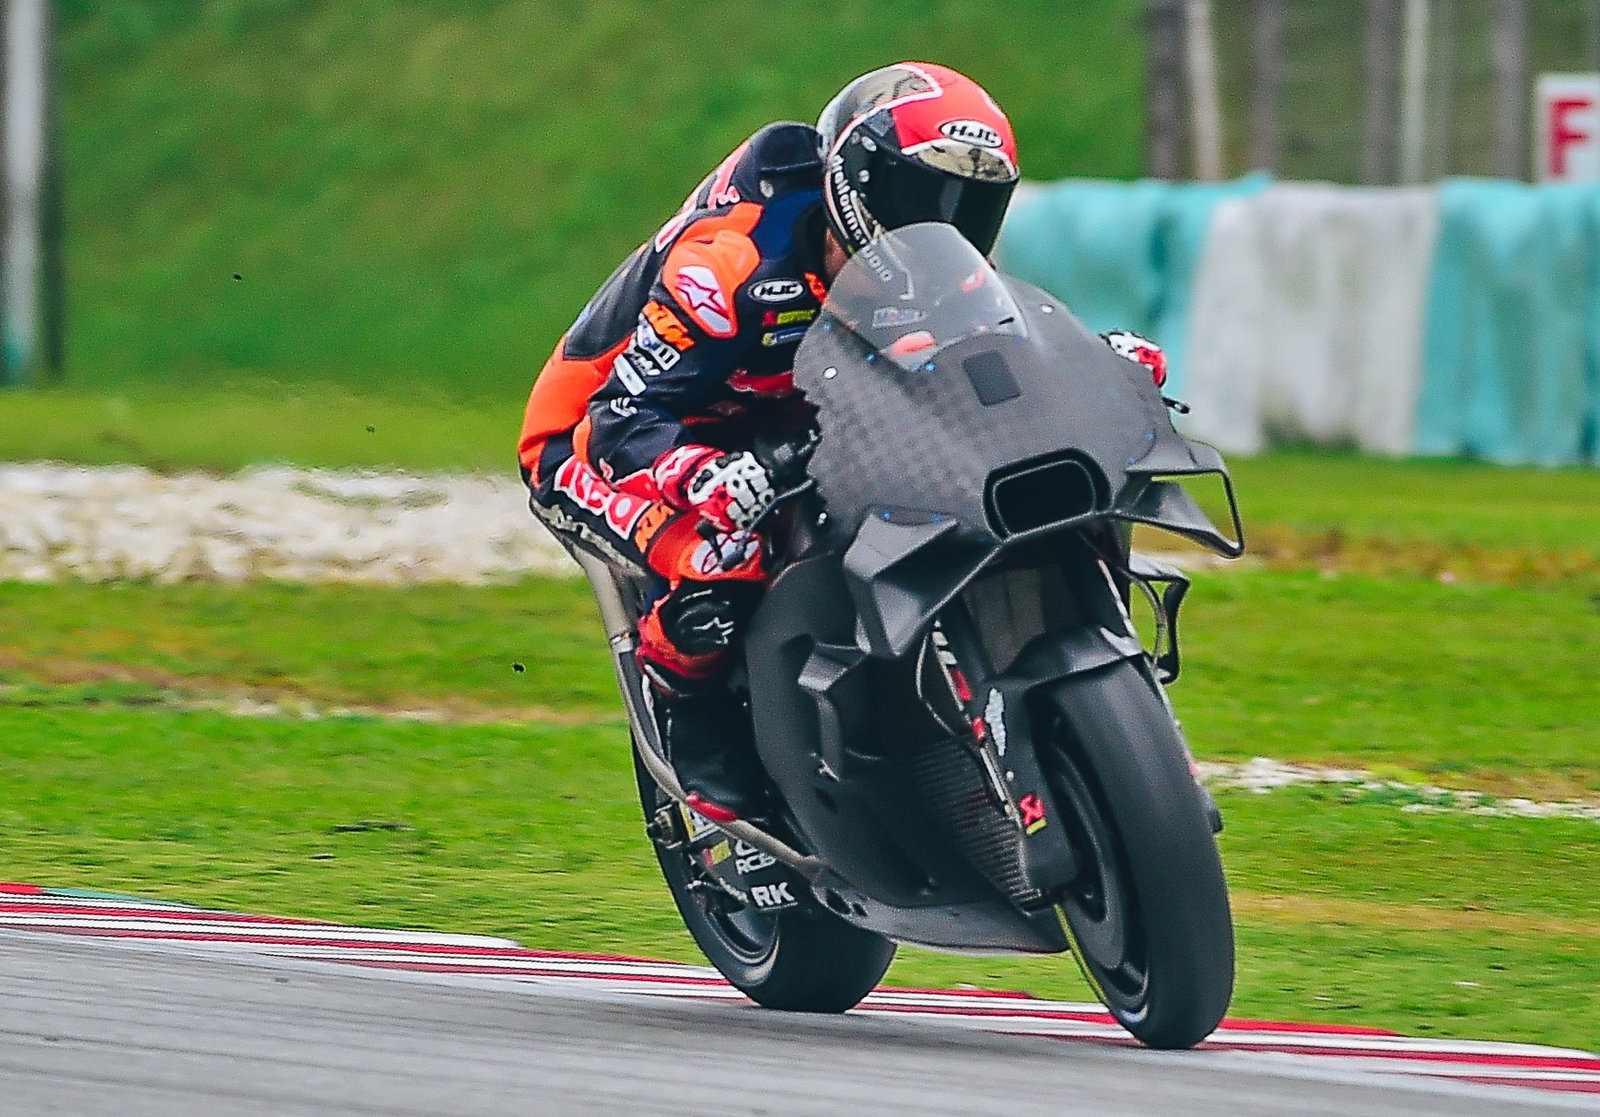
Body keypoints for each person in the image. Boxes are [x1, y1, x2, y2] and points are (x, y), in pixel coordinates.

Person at [518, 62, 1164, 824]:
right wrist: (702, 477)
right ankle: (689, 717)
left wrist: (1093, 361)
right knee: (725, 557)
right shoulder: (730, 268)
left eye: (971, 207)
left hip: (787, 415)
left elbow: (995, 354)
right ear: (859, 187)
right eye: (922, 199)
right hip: (600, 436)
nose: (945, 227)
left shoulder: (941, 267)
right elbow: (621, 416)